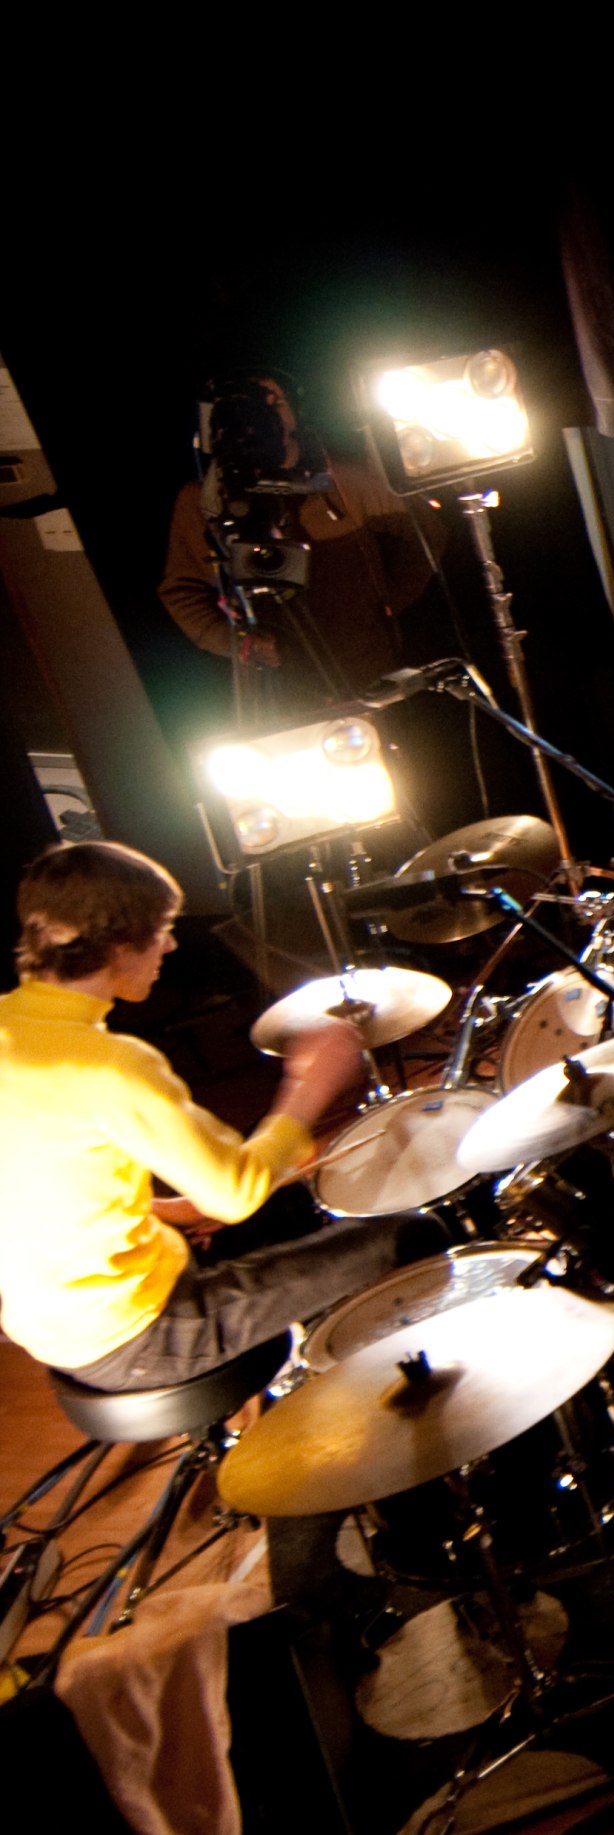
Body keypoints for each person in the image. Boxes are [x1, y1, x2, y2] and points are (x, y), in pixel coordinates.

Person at [0, 842, 402, 1391]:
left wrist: (167, 1211)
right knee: (408, 1234)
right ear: (119, 947)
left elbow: (34, 1175)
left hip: (51, 1321)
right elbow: (233, 1195)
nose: (169, 945)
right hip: (139, 1333)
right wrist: (311, 1084)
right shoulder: (110, 1065)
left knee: (290, 1207)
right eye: (162, 930)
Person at [158, 371, 451, 717]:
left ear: (295, 413)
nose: (263, 415)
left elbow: (428, 531)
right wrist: (239, 643)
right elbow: (182, 591)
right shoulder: (205, 502)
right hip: (279, 693)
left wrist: (388, 602)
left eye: (274, 403)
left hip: (372, 678)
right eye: (249, 406)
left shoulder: (345, 480)